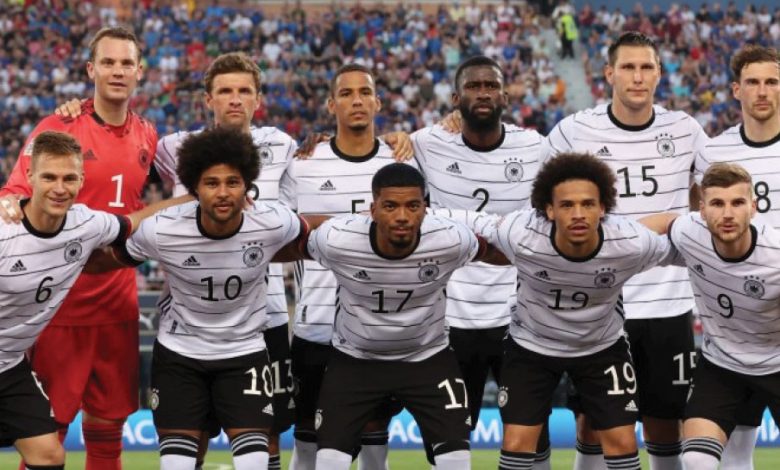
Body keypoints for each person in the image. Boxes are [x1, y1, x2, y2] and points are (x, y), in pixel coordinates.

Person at [94, 127, 323, 470]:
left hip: (244, 354)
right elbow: (105, 259)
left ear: (247, 185)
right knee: (178, 465)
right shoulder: (163, 228)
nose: (223, 192)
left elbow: (318, 229)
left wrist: (372, 227)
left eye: (233, 182)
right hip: (180, 356)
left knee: (255, 462)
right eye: (211, 183)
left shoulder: (271, 222)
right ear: (194, 188)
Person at [543, 31, 708, 470]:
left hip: (668, 304)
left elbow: (717, 195)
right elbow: (540, 203)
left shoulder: (686, 130)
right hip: (599, 305)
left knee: (665, 424)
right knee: (592, 425)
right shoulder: (575, 130)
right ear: (609, 73)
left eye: (646, 67)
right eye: (628, 67)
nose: (638, 77)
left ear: (659, 74)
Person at [0, 27, 158, 470]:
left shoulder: (148, 134)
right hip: (60, 302)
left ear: (140, 72)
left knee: (109, 430)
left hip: (118, 301)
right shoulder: (60, 126)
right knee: (46, 436)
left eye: (126, 63)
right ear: (91, 69)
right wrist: (8, 204)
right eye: (108, 62)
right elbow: (14, 194)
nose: (117, 71)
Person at [468, 152, 677, 470]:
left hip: (601, 348)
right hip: (531, 347)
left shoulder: (631, 243)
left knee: (623, 443)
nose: (578, 214)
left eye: (588, 204)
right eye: (567, 205)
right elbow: (468, 221)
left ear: (603, 208)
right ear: (549, 209)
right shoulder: (519, 232)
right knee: (516, 444)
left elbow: (687, 248)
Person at [0, 131, 182, 470]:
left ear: (82, 180)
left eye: (69, 178)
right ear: (29, 176)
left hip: (8, 364)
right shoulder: (5, 230)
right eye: (49, 177)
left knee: (49, 455)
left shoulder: (85, 223)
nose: (59, 188)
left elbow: (135, 221)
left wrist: (193, 199)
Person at [309, 163, 508, 470]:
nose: (402, 216)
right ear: (372, 210)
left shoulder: (450, 239)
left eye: (413, 206)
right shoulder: (337, 239)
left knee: (456, 459)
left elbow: (499, 252)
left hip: (427, 358)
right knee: (328, 461)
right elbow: (293, 239)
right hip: (355, 360)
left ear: (425, 209)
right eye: (390, 206)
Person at [154, 52, 297, 470]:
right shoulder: (174, 147)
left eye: (244, 91)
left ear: (258, 99)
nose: (235, 99)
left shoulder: (283, 146)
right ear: (208, 99)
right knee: (190, 437)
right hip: (191, 319)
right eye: (225, 91)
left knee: (267, 434)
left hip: (265, 316)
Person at [410, 55, 550, 469]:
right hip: (450, 319)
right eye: (473, 86)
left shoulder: (536, 147)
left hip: (519, 318)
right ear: (456, 98)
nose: (484, 93)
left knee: (532, 435)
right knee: (449, 441)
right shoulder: (425, 144)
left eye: (492, 86)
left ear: (506, 96)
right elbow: (372, 150)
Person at [280, 63, 419, 470]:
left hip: (379, 330)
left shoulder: (403, 163)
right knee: (307, 441)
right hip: (317, 327)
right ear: (330, 105)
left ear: (378, 102)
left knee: (375, 443)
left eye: (364, 92)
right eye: (346, 93)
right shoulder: (303, 164)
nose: (356, 100)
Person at [692, 44, 780, 470]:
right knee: (731, 452)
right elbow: (696, 220)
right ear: (736, 90)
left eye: (772, 81)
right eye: (753, 82)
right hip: (731, 323)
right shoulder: (712, 152)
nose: (762, 91)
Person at [668, 163, 780, 470]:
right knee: (696, 459)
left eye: (737, 203)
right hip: (722, 365)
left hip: (776, 362)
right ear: (702, 210)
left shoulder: (776, 257)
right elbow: (662, 223)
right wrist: (609, 240)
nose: (728, 213)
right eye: (717, 203)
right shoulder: (690, 232)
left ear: (753, 208)